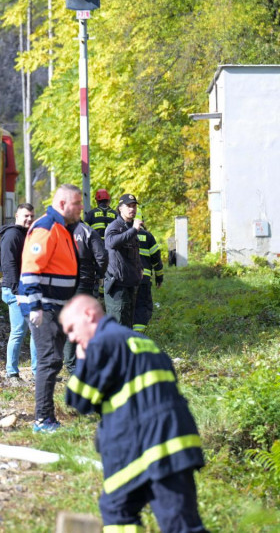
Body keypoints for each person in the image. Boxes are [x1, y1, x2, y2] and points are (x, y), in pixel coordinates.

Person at [60, 295, 208, 532]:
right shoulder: (143, 342)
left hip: (147, 446)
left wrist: (82, 361)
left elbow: (79, 400)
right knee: (128, 511)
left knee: (123, 513)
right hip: (173, 443)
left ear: (89, 315)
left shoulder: (103, 343)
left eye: (71, 328)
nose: (72, 338)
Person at [18, 183, 82, 432]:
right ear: (63, 204)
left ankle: (46, 417)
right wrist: (35, 305)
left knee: (52, 360)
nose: (80, 209)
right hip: (43, 305)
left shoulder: (61, 227)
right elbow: (31, 267)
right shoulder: (47, 227)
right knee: (48, 360)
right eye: (77, 203)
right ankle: (42, 419)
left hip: (53, 305)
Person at [64, 217, 108, 375]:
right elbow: (102, 258)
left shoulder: (59, 231)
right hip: (83, 283)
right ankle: (76, 364)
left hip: (62, 283)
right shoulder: (88, 232)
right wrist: (98, 275)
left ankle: (70, 363)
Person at [0, 203, 36, 380]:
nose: (29, 219)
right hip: (17, 290)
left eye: (31, 216)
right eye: (25, 216)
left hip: (28, 289)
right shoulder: (12, 235)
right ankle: (11, 371)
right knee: (19, 331)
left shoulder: (27, 235)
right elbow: (9, 264)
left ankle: (38, 372)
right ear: (17, 216)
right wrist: (17, 291)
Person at [104, 193, 144, 329]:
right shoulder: (114, 226)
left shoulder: (130, 227)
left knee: (127, 327)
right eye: (128, 206)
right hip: (117, 286)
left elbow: (134, 254)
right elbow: (111, 243)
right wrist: (133, 230)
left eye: (134, 206)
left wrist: (140, 269)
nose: (132, 209)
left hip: (130, 284)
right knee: (118, 327)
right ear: (120, 208)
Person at [135, 225, 165, 333]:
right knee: (142, 307)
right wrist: (159, 277)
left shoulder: (119, 233)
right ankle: (139, 335)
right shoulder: (147, 236)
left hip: (125, 280)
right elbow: (156, 258)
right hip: (144, 279)